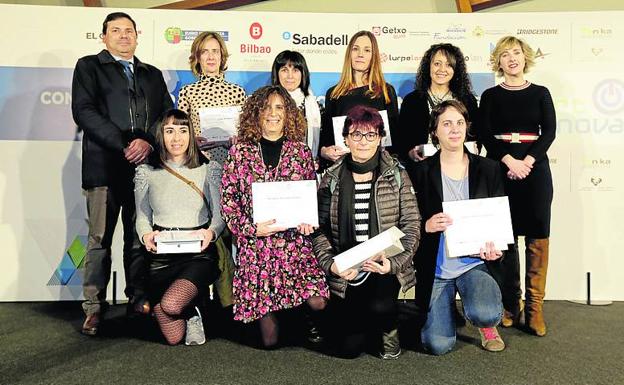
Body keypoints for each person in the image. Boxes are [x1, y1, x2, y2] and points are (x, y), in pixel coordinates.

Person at [71, 12, 173, 336]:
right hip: (104, 167)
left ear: (136, 36)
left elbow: (164, 115)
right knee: (99, 241)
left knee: (138, 240)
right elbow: (84, 111)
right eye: (116, 30)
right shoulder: (88, 67)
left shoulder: (152, 74)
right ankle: (94, 309)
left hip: (143, 169)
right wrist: (124, 142)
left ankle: (138, 301)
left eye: (128, 30)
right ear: (104, 37)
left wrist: (147, 142)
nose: (123, 35)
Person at [220, 85, 330, 348]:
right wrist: (249, 229)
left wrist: (307, 220)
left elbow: (310, 196)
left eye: (279, 107)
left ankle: (302, 315)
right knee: (269, 342)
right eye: (266, 107)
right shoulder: (240, 152)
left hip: (294, 243)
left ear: (288, 113)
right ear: (255, 113)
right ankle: (280, 315)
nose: (272, 113)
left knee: (318, 301)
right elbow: (228, 201)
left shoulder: (300, 152)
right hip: (256, 245)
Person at [313, 105, 420, 359]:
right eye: (356, 134)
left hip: (383, 265)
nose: (363, 141)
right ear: (346, 138)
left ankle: (388, 327)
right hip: (347, 269)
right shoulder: (331, 178)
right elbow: (319, 230)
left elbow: (412, 225)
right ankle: (364, 322)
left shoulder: (396, 174)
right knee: (348, 350)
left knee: (380, 306)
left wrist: (392, 264)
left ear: (381, 138)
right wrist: (332, 265)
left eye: (370, 135)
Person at [409, 100, 506, 355]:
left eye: (460, 123)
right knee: (437, 345)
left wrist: (497, 249)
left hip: (475, 263)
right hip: (438, 268)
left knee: (484, 312)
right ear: (435, 131)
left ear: (467, 128)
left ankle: (486, 326)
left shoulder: (489, 168)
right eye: (447, 124)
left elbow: (500, 221)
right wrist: (425, 225)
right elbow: (405, 220)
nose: (454, 129)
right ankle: (446, 307)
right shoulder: (419, 171)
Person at [478, 36, 556, 337]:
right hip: (500, 169)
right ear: (498, 62)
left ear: (526, 59)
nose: (512, 59)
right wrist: (510, 161)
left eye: (517, 53)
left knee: (537, 239)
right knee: (505, 240)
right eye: (505, 55)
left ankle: (535, 309)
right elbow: (485, 134)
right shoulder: (490, 96)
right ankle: (511, 305)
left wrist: (528, 162)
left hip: (536, 172)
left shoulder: (541, 93)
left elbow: (548, 132)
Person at [134, 109, 223, 346]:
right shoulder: (146, 171)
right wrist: (146, 236)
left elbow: (220, 215)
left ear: (191, 135)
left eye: (183, 131)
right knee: (173, 339)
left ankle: (190, 310)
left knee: (171, 304)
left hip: (198, 254)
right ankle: (188, 310)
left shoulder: (208, 168)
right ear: (160, 135)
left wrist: (211, 232)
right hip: (160, 256)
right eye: (169, 131)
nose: (176, 138)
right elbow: (142, 216)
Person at [318, 30, 399, 170]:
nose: (360, 54)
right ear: (349, 53)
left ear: (374, 56)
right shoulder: (334, 94)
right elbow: (326, 139)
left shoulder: (385, 92)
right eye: (355, 49)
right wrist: (325, 152)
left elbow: (396, 141)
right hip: (344, 170)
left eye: (367, 50)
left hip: (378, 170)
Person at [398, 43, 478, 164]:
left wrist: (474, 149)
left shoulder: (468, 100)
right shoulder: (412, 101)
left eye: (448, 65)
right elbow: (402, 140)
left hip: (460, 168)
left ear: (455, 69)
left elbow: (476, 136)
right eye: (437, 64)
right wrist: (410, 153)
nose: (442, 69)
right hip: (422, 169)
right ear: (428, 67)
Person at [177, 31, 246, 166]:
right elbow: (181, 130)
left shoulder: (238, 92)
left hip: (232, 162)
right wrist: (192, 142)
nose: (211, 57)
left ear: (222, 56)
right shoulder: (187, 92)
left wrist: (238, 140)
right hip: (199, 162)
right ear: (197, 57)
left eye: (215, 51)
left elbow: (246, 131)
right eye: (204, 52)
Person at [271, 50, 322, 159]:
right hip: (274, 166)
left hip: (305, 167)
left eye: (295, 70)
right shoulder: (266, 105)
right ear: (277, 73)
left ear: (303, 74)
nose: (290, 76)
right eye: (284, 70)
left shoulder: (315, 107)